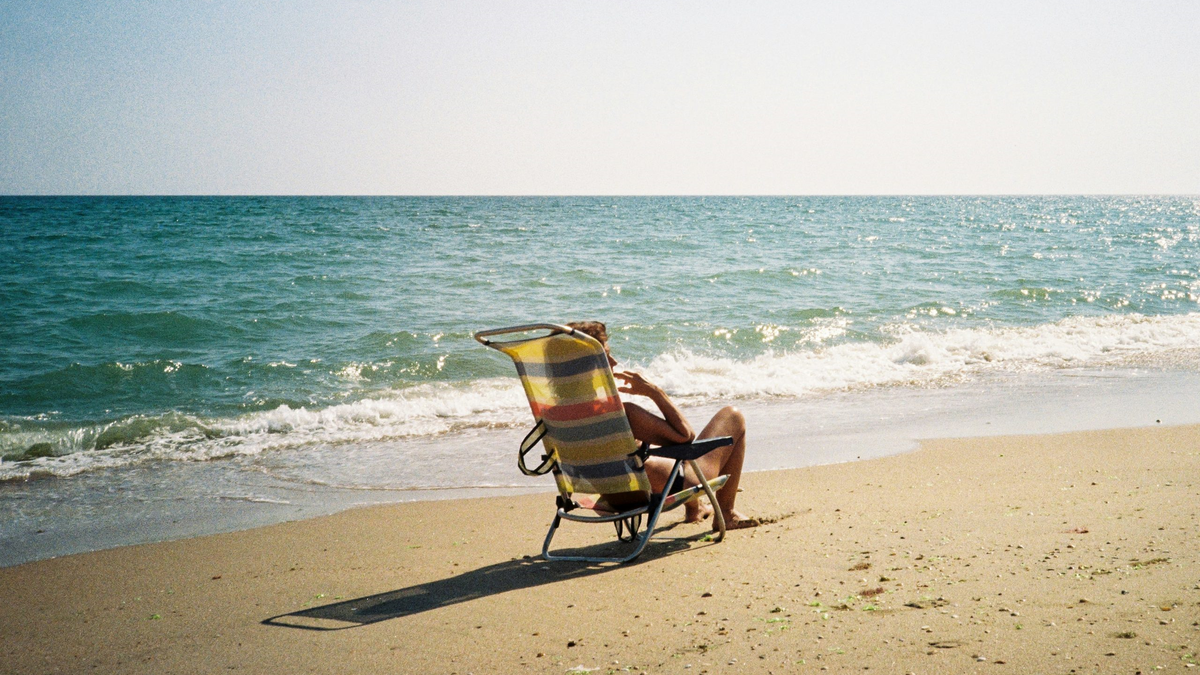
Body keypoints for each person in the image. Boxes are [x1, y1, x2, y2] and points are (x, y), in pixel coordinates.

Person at [566, 321, 760, 530]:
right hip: (663, 488)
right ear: (588, 366)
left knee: (656, 452)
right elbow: (685, 436)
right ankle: (727, 513)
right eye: (605, 356)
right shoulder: (621, 415)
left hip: (613, 496)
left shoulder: (557, 415)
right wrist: (654, 391)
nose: (613, 362)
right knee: (732, 416)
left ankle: (695, 509)